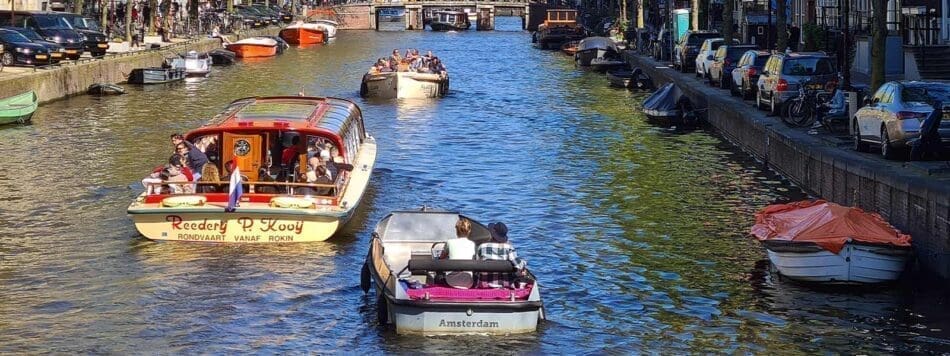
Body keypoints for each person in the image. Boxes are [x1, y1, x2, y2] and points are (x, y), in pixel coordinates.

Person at [476, 222, 527, 289]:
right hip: (505, 284)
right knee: (521, 271)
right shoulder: (509, 248)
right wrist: (524, 262)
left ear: (491, 234)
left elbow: (476, 265)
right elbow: (518, 265)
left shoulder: (482, 247)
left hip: (484, 284)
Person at [441, 218, 476, 289]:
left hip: (450, 282)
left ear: (456, 231)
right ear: (469, 231)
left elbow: (441, 258)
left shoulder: (449, 242)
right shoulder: (472, 244)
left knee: (438, 276)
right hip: (468, 283)